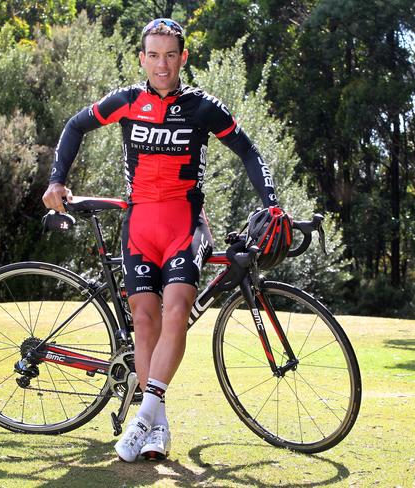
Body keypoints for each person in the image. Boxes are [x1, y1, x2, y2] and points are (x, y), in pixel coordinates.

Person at [43, 18, 286, 462]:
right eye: (153, 55)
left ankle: (140, 419)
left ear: (183, 58)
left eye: (170, 55)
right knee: (144, 321)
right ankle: (158, 426)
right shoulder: (127, 101)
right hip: (139, 225)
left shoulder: (201, 106)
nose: (161, 63)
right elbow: (74, 127)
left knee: (176, 311)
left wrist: (272, 203)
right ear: (142, 58)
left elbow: (248, 150)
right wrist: (57, 179)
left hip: (184, 223)